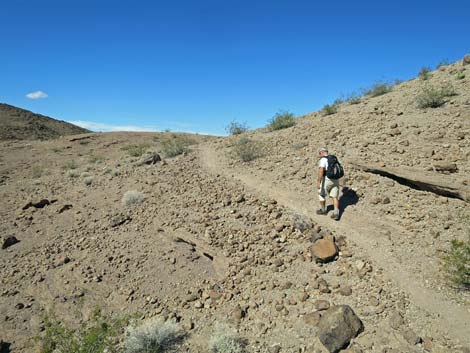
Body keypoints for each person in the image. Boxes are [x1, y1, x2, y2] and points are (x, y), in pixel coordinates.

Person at [316, 147, 341, 220]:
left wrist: (318, 181)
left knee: (321, 194)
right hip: (335, 180)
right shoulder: (333, 158)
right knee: (335, 196)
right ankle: (336, 213)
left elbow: (321, 171)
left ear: (321, 153)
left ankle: (323, 210)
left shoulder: (323, 160)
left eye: (319, 153)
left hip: (326, 180)